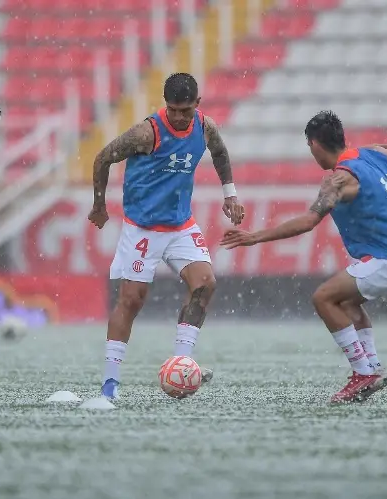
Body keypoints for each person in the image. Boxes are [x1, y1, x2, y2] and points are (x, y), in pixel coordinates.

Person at [220, 110, 387, 404]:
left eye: (310, 147)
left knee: (323, 298)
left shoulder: (338, 181)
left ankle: (363, 373)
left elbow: (308, 222)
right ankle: (373, 367)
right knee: (346, 301)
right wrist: (372, 155)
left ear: (316, 145)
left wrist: (254, 237)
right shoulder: (370, 154)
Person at [88, 73, 245, 400]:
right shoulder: (147, 132)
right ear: (165, 105)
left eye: (185, 111)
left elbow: (220, 153)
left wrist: (230, 194)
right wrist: (99, 205)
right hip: (142, 228)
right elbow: (103, 157)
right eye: (173, 109)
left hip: (180, 226)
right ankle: (110, 382)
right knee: (131, 301)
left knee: (205, 283)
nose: (178, 117)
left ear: (197, 105)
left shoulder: (205, 126)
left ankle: (181, 362)